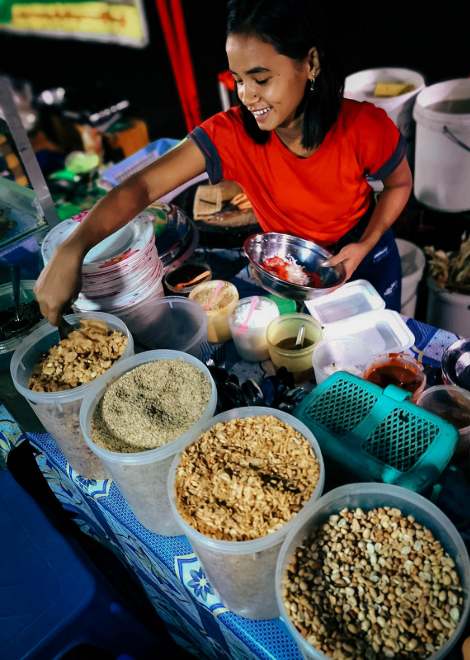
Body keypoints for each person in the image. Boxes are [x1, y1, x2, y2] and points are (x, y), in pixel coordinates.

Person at [35, 0, 412, 325]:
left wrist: (366, 242)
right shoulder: (230, 135)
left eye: (260, 79)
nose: (247, 96)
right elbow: (143, 187)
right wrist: (73, 248)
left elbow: (398, 185)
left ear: (310, 63)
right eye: (238, 79)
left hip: (364, 260)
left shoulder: (364, 127)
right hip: (293, 273)